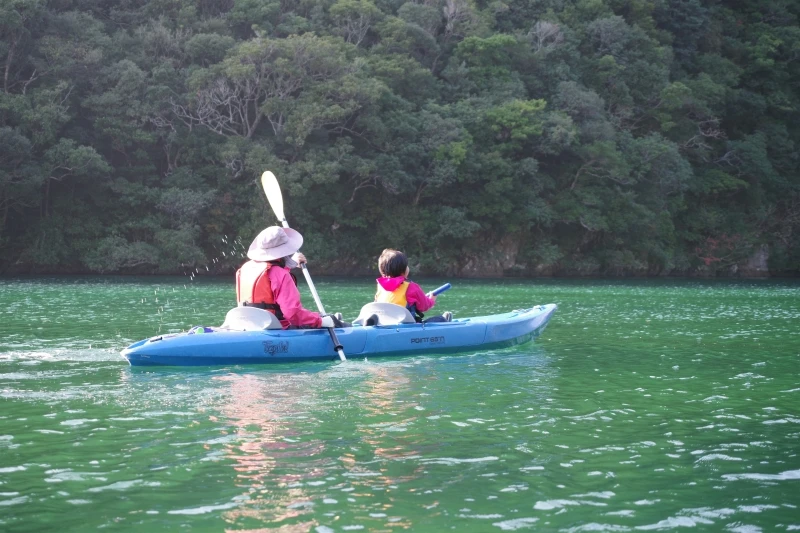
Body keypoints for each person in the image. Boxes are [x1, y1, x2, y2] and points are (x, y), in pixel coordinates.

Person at [236, 226, 344, 329]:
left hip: (249, 325)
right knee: (333, 321)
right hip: (277, 329)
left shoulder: (243, 269)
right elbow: (292, 314)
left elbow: (273, 279)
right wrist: (321, 321)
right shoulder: (281, 274)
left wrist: (290, 264)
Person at [374, 248, 451, 323]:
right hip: (405, 325)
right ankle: (444, 319)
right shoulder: (411, 287)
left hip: (384, 323)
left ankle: (370, 322)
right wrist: (431, 300)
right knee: (437, 320)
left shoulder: (380, 287)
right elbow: (424, 306)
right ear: (403, 271)